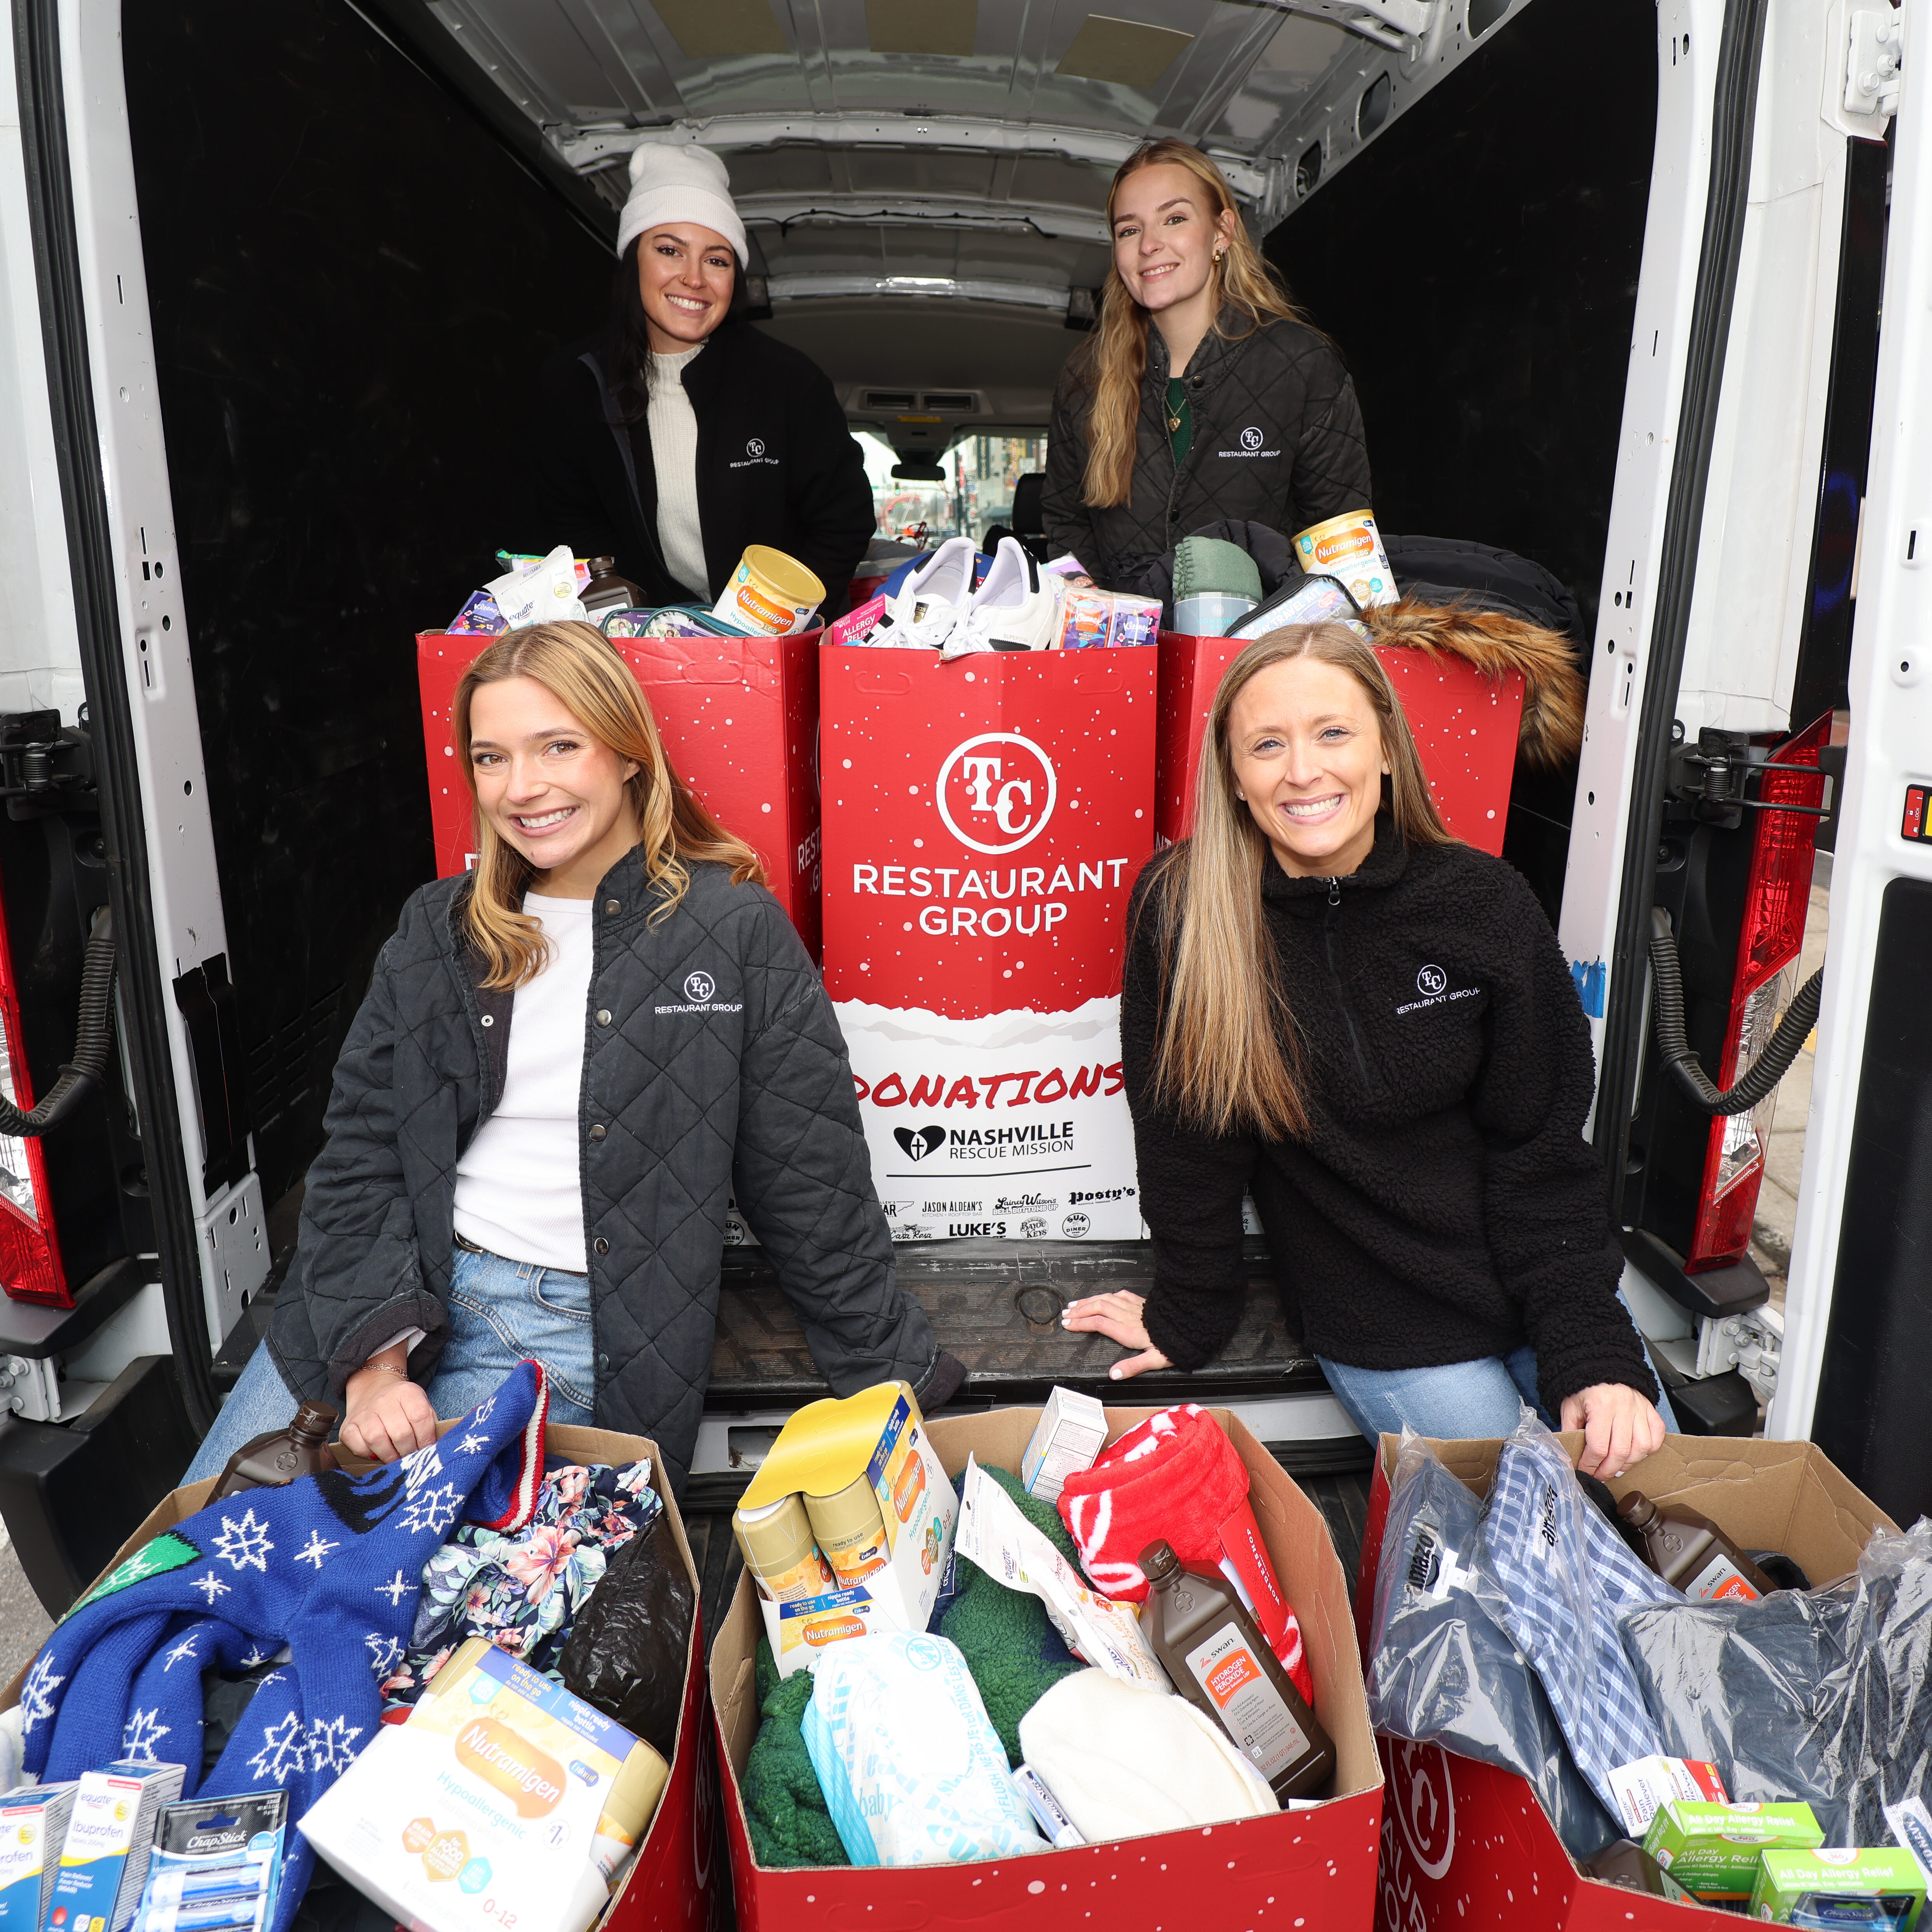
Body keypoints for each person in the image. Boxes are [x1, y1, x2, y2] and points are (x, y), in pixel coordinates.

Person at [187, 622, 960, 1491]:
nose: (522, 787)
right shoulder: (440, 928)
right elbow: (362, 1156)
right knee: (193, 1551)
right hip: (387, 1296)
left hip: (558, 1330)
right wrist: (375, 1364)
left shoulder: (731, 930)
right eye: (491, 757)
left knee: (396, 1566)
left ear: (628, 752)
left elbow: (809, 1182)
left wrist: (900, 1383)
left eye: (558, 746)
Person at [1062, 624, 1675, 1480]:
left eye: (1332, 733)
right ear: (1232, 776)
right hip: (1383, 1319)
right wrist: (1189, 1310)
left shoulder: (1482, 902)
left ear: (1385, 748)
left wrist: (1591, 1347)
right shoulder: (1186, 912)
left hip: (1535, 1274)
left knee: (1666, 1501)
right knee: (1533, 1519)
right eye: (1266, 745)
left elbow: (1539, 1148)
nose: (1302, 770)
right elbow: (1184, 1140)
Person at [534, 144, 874, 613]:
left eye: (717, 260)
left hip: (777, 636)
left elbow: (844, 523)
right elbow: (574, 528)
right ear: (633, 259)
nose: (694, 278)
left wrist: (761, 622)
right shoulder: (575, 385)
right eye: (670, 251)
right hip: (645, 638)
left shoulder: (788, 382)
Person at [1041, 138, 1372, 596]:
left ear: (1222, 232)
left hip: (1263, 638)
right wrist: (1099, 608)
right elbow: (1066, 523)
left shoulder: (1301, 364)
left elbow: (1341, 542)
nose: (1149, 245)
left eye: (1174, 219)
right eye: (1129, 230)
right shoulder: (1085, 378)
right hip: (1130, 637)